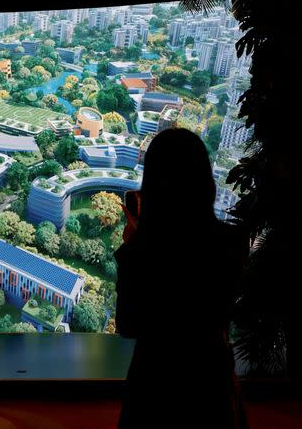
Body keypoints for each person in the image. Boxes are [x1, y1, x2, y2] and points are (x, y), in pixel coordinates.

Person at [115, 128, 248, 428]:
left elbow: (127, 323)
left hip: (153, 389)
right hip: (212, 388)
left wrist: (133, 245)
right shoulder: (232, 242)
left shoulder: (146, 251)